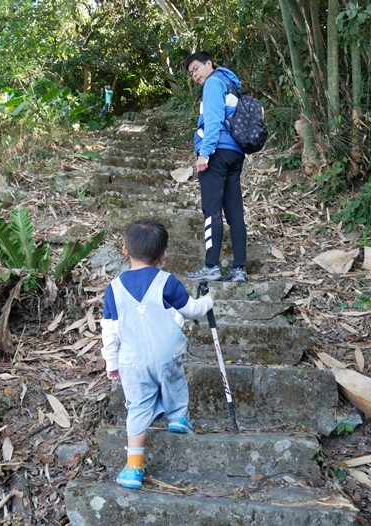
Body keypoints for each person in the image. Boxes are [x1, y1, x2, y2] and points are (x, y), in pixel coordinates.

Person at [100, 219, 214, 490]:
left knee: (138, 407)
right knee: (173, 380)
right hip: (167, 350)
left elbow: (110, 331)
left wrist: (111, 363)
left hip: (132, 359)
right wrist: (209, 301)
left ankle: (133, 468)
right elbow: (191, 310)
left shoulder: (113, 289)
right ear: (163, 255)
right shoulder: (167, 282)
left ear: (125, 250)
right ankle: (177, 418)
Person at [184, 51, 247, 284]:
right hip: (235, 153)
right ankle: (239, 269)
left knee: (212, 210)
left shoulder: (213, 83)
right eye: (191, 73)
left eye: (196, 68)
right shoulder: (230, 83)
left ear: (208, 64)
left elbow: (213, 119)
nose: (195, 75)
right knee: (235, 213)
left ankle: (211, 266)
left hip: (216, 152)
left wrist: (205, 153)